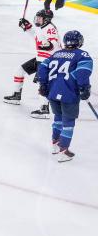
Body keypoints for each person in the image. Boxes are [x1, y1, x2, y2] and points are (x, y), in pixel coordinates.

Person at [38, 31, 93, 162]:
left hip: (52, 92)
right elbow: (82, 73)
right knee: (68, 122)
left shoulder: (56, 54)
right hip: (69, 94)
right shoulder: (82, 55)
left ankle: (55, 145)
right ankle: (64, 151)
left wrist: (43, 85)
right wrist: (84, 88)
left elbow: (43, 67)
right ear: (79, 42)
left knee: (58, 118)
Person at [3, 9, 61, 118]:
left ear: (46, 19)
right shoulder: (42, 27)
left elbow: (53, 43)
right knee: (19, 71)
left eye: (40, 18)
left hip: (48, 59)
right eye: (37, 17)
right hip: (41, 58)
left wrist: (48, 45)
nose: (37, 19)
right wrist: (27, 26)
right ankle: (16, 96)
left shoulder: (50, 28)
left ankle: (44, 109)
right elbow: (36, 35)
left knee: (42, 83)